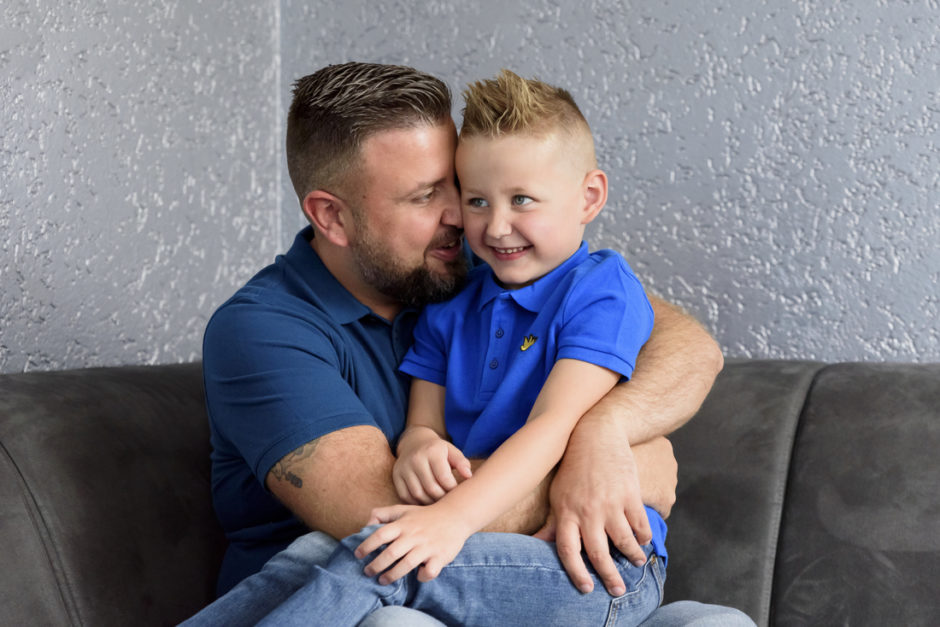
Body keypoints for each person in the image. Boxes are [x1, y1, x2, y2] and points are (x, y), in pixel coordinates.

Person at [185, 62, 749, 626]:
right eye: (429, 195)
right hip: (396, 590)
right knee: (378, 585)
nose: (467, 217)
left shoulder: (470, 265)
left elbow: (691, 348)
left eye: (457, 185)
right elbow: (389, 520)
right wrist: (604, 466)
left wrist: (607, 432)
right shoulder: (264, 329)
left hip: (563, 573)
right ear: (332, 216)